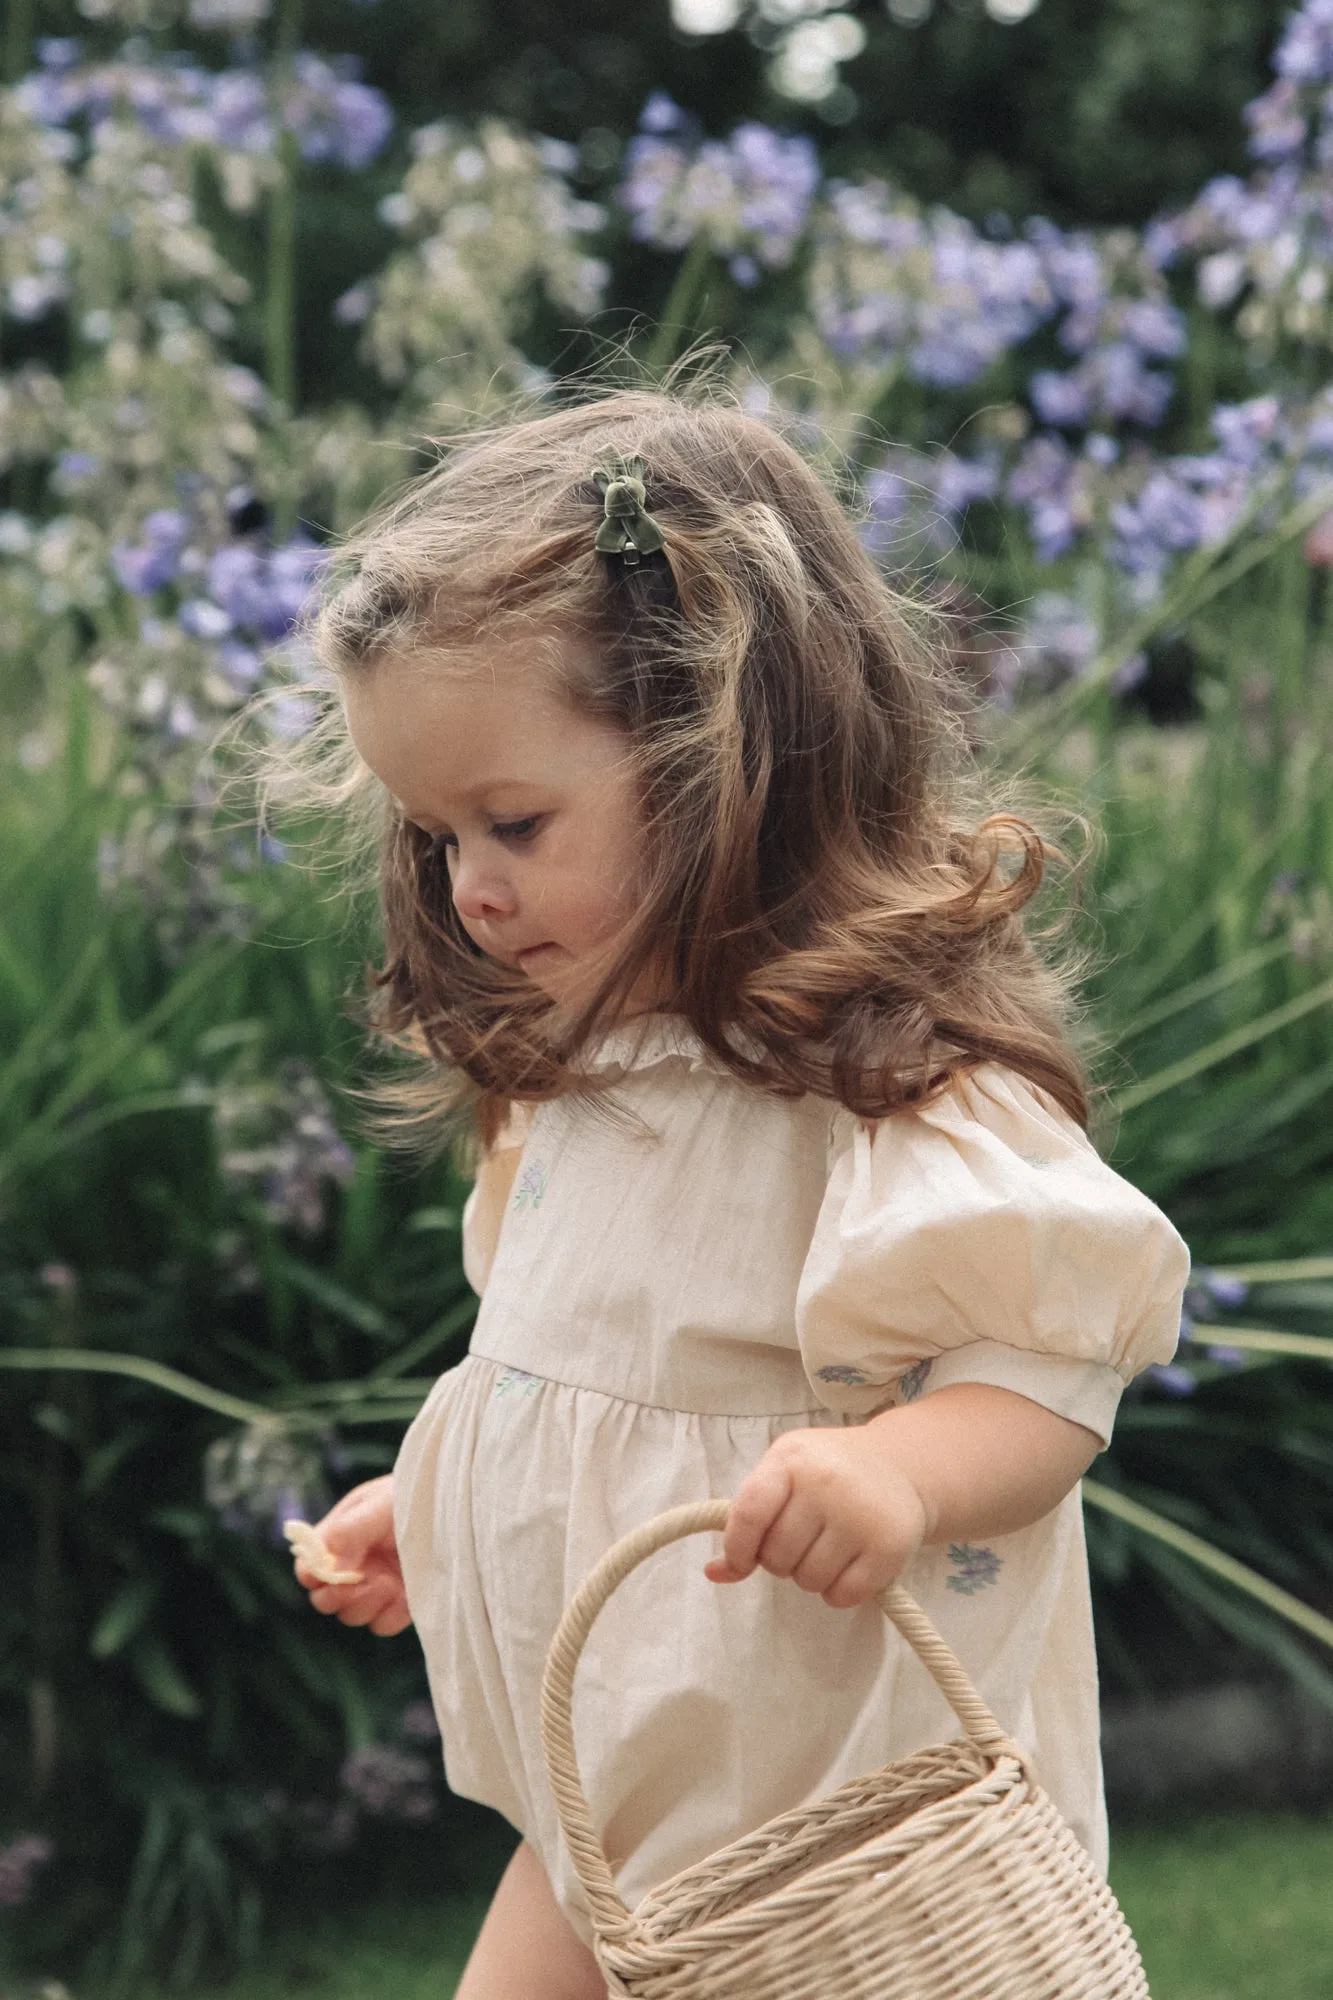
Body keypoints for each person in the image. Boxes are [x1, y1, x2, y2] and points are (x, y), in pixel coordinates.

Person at [282, 389, 1189, 2000]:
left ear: (727, 758)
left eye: (513, 822)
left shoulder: (871, 1083)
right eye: (433, 839)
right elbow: (577, 1382)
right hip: (618, 1815)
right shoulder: (588, 1075)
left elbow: (1045, 1370)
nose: (470, 887)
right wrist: (446, 1512)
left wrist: (901, 1476)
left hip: (834, 1827)